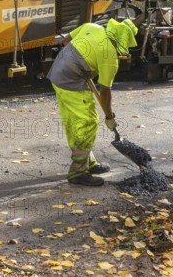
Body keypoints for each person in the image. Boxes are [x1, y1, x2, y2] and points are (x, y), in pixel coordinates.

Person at [47, 19, 138, 186]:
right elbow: (105, 91)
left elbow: (66, 40)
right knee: (89, 122)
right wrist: (109, 117)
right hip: (70, 79)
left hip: (57, 71)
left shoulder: (92, 27)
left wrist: (79, 58)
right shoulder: (110, 56)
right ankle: (77, 172)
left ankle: (89, 162)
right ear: (124, 41)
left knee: (74, 121)